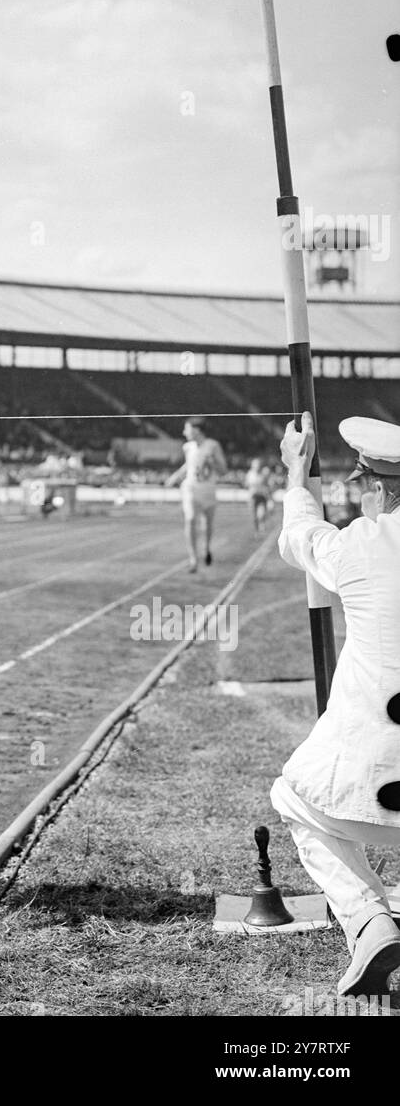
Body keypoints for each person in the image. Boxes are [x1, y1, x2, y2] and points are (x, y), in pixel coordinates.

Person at [270, 412, 400, 999]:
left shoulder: (360, 546)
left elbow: (299, 538)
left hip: (374, 781)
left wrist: (297, 473)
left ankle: (368, 921)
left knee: (293, 796)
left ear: (378, 487)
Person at [165, 417, 227, 572]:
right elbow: (189, 465)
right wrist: (175, 476)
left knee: (207, 525)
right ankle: (193, 559)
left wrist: (213, 462)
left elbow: (223, 470)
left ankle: (206, 548)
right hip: (191, 489)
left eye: (187, 429)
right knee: (191, 519)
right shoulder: (187, 447)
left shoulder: (213, 446)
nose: (184, 432)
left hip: (208, 490)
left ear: (197, 430)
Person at [244, 457, 273, 535]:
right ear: (252, 466)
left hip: (261, 497)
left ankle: (261, 523)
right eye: (255, 465)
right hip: (252, 497)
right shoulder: (249, 474)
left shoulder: (264, 474)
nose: (257, 466)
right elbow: (246, 485)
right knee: (254, 517)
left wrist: (269, 498)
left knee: (261, 514)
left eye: (258, 465)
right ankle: (256, 531)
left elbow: (267, 486)